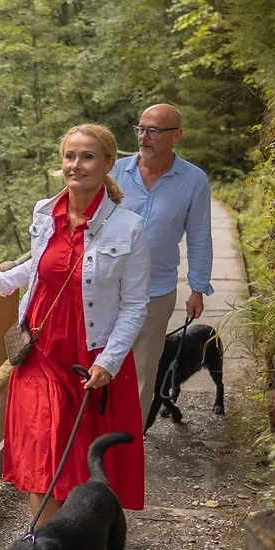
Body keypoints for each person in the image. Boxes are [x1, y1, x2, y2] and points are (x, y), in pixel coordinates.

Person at [0, 124, 150, 523]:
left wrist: (110, 361)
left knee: (82, 465)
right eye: (70, 156)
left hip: (90, 356)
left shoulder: (129, 227)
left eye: (86, 157)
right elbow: (42, 267)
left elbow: (135, 305)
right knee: (42, 455)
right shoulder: (44, 212)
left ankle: (77, 545)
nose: (76, 165)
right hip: (41, 351)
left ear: (107, 164)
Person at [112, 104, 214, 415]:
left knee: (144, 371)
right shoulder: (114, 172)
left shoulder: (193, 180)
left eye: (153, 131)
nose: (144, 137)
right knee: (102, 362)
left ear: (176, 136)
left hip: (156, 290)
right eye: (140, 129)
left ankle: (130, 444)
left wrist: (197, 288)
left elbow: (199, 236)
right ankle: (95, 438)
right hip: (106, 286)